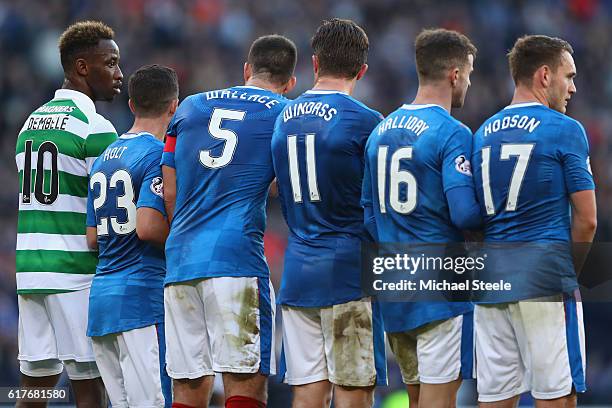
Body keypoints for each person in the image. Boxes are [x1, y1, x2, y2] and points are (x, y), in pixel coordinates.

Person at [161, 35, 297, 408]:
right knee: (245, 385)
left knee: (188, 387)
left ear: (246, 70)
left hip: (181, 262)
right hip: (237, 261)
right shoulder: (284, 112)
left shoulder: (190, 106)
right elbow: (283, 184)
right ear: (290, 82)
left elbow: (169, 189)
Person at [471, 35, 597, 407]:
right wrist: (566, 273)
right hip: (544, 280)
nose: (573, 87)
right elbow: (587, 219)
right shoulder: (565, 129)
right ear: (544, 75)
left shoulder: (481, 135)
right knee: (557, 397)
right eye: (568, 76)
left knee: (495, 399)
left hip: (491, 284)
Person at [361, 28, 480, 408]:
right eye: (470, 73)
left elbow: (368, 215)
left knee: (414, 399)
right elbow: (465, 213)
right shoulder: (452, 133)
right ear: (455, 74)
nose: (470, 83)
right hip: (441, 289)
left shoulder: (379, 131)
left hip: (393, 285)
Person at [271, 18, 387, 408]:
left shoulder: (282, 117)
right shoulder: (368, 122)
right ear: (362, 70)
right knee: (353, 392)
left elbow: (278, 190)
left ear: (315, 63)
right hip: (349, 272)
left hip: (298, 269)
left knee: (306, 394)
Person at [14, 20, 122, 407]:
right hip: (75, 272)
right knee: (91, 388)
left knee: (34, 388)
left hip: (30, 270)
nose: (119, 74)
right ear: (81, 67)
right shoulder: (94, 128)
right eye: (109, 63)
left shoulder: (30, 124)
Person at [85, 64, 177, 408]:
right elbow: (148, 227)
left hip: (102, 304)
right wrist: (186, 237)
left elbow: (92, 238)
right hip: (141, 299)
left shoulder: (104, 157)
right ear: (174, 106)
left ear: (131, 105)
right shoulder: (157, 155)